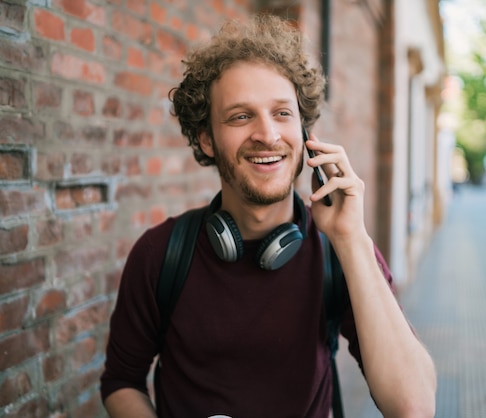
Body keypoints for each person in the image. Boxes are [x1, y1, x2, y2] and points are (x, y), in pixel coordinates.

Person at [100, 14, 436, 418]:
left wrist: (352, 240)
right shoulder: (160, 254)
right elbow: (121, 382)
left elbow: (413, 407)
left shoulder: (340, 253)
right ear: (206, 138)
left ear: (306, 135)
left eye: (282, 113)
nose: (268, 134)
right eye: (241, 116)